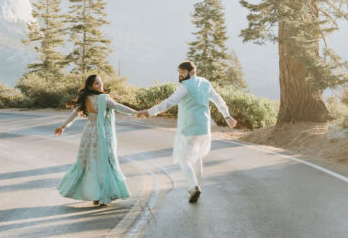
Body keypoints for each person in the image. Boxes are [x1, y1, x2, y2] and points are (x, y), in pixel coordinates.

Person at [136, 61, 237, 203]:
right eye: (179, 72)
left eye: (183, 72)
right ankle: (196, 187)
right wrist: (227, 116)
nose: (180, 75)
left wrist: (149, 112)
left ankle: (193, 186)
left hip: (188, 128)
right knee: (197, 158)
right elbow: (218, 100)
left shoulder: (184, 87)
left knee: (183, 158)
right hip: (203, 128)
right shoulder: (205, 83)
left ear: (192, 72)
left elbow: (169, 102)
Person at [54, 74, 137, 206]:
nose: (101, 85)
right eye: (97, 83)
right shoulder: (104, 99)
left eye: (101, 82)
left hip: (89, 132)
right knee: (104, 162)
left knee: (91, 163)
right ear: (90, 86)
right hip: (102, 133)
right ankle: (103, 194)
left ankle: (96, 195)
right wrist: (137, 112)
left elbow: (74, 114)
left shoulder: (85, 99)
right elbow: (119, 107)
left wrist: (63, 127)